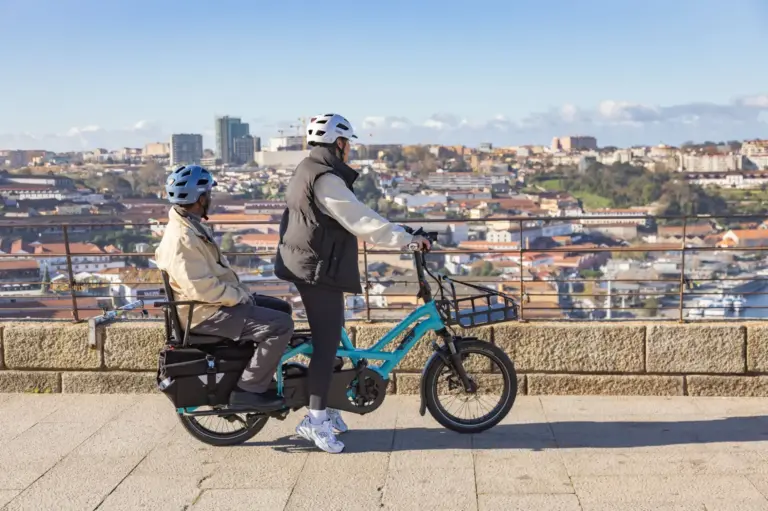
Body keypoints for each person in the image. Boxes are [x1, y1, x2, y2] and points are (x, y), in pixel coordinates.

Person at [275, 113, 431, 453]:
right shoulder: (326, 180)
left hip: (311, 264)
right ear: (340, 144)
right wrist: (406, 239)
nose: (350, 151)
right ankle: (314, 421)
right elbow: (361, 220)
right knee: (328, 343)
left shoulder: (308, 167)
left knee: (336, 340)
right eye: (349, 144)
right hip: (316, 269)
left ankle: (329, 407)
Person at [155, 165, 294, 410]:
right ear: (199, 199)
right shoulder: (182, 238)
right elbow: (202, 289)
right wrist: (238, 297)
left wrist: (240, 296)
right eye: (208, 193)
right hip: (205, 314)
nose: (211, 198)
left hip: (210, 306)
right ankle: (248, 390)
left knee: (281, 308)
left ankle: (260, 371)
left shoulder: (188, 225)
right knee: (280, 326)